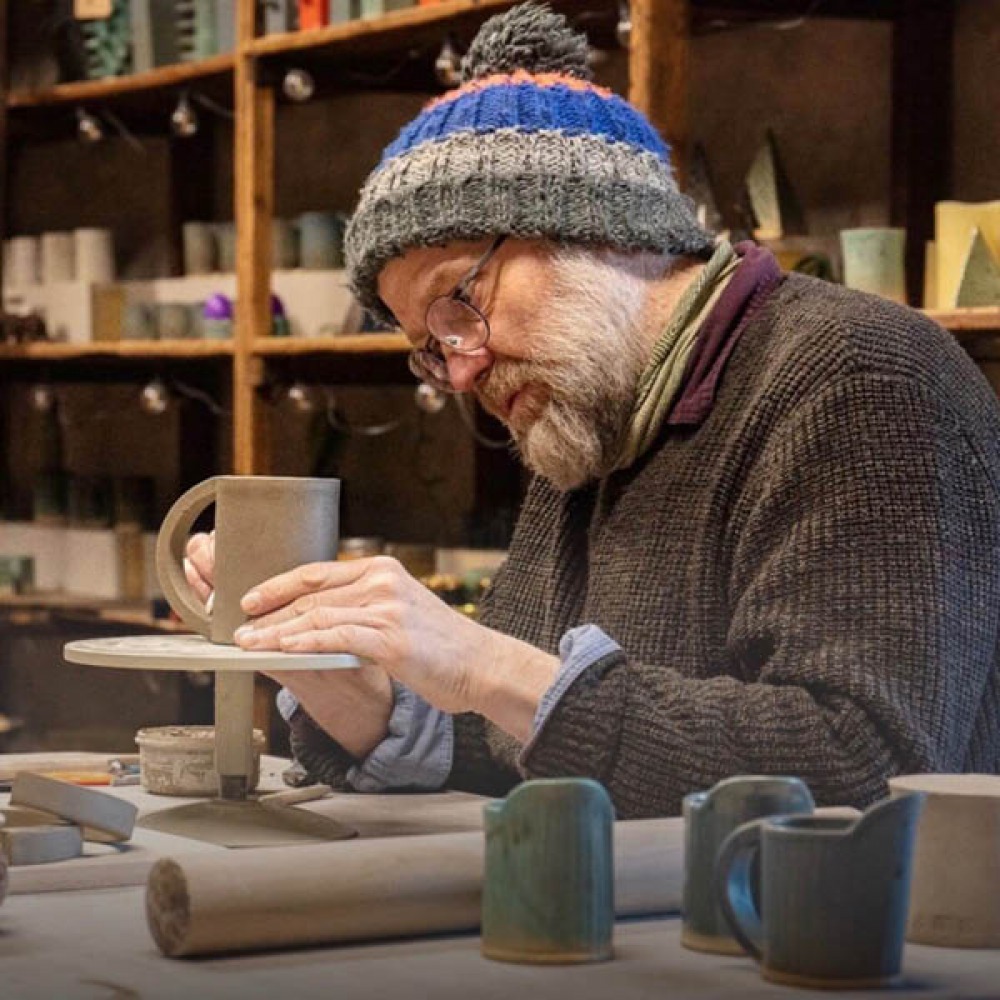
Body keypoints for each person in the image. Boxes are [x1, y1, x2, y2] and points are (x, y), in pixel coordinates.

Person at [185, 3, 1000, 817]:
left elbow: (868, 767)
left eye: (458, 302)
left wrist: (482, 665)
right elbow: (531, 738)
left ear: (596, 226)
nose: (460, 371)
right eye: (431, 345)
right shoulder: (589, 410)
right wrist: (344, 681)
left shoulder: (860, 379)